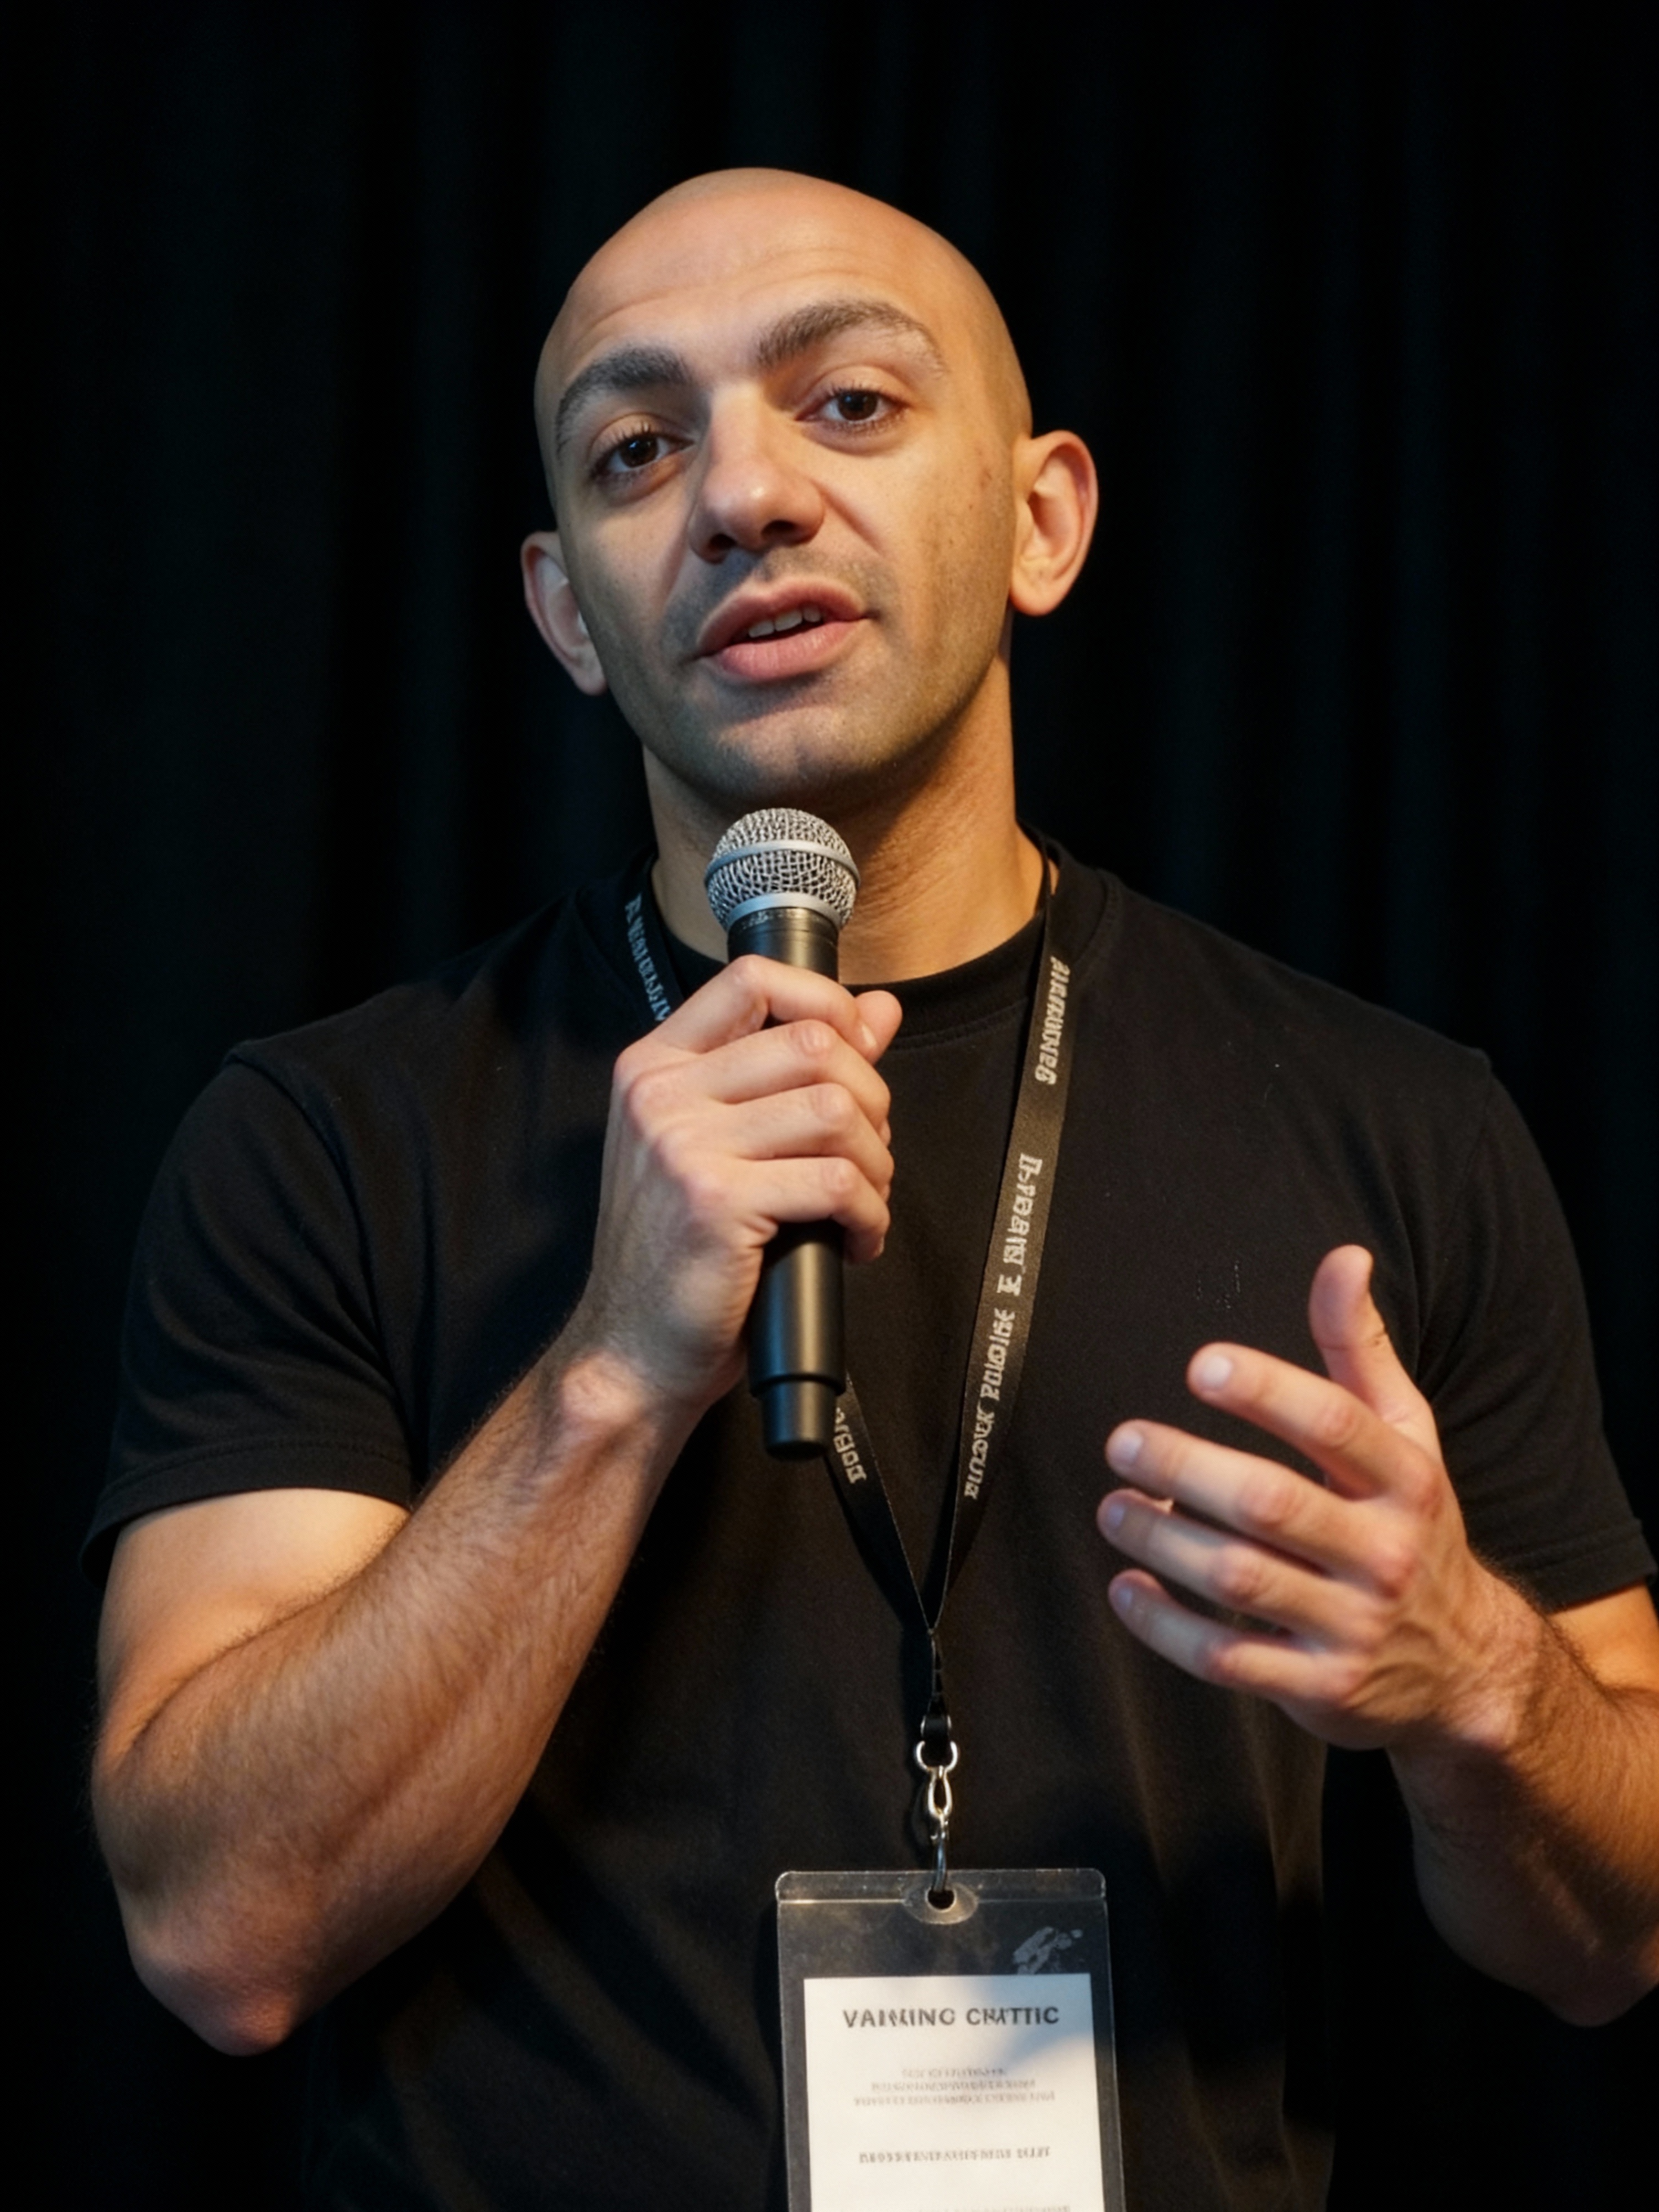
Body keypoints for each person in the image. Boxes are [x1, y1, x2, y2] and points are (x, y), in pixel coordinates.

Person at [87, 169, 1659, 2209]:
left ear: (1043, 519)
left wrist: (1472, 1677)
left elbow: (1614, 1932)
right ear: (569, 611)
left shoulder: (1391, 1122)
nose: (743, 494)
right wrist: (613, 1373)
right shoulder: (325, 1136)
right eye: (640, 450)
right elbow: (219, 1930)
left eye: (847, 404)